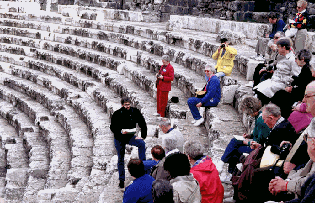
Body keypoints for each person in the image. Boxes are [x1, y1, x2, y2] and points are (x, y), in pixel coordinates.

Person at [217, 96, 270, 179]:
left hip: (258, 150)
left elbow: (260, 142)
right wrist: (249, 136)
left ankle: (223, 165)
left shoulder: (261, 121)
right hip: (254, 144)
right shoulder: (258, 117)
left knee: (235, 148)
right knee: (234, 143)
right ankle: (228, 171)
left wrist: (248, 142)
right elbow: (256, 134)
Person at [268, 118, 315, 202]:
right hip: (292, 178)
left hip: (295, 188)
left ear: (313, 143)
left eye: (306, 138)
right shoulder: (312, 158)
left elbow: (307, 188)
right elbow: (303, 170)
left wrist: (286, 185)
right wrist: (286, 181)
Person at [110, 97, 147, 188]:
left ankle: (143, 169)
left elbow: (142, 123)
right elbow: (112, 127)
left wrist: (142, 135)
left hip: (130, 137)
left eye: (129, 104)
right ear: (122, 105)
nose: (128, 106)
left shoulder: (135, 111)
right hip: (119, 138)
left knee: (142, 144)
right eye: (126, 105)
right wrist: (121, 132)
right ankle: (121, 180)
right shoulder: (117, 114)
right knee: (121, 158)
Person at [254, 38, 301, 105]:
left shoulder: (292, 60)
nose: (277, 49)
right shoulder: (280, 56)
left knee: (264, 89)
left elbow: (295, 75)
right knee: (259, 87)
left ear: (283, 48)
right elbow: (274, 64)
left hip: (282, 83)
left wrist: (285, 81)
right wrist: (267, 68)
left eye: (278, 47)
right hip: (274, 79)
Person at [271, 49, 314, 118]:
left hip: (300, 97)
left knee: (280, 96)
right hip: (299, 93)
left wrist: (291, 89)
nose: (295, 61)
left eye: (296, 59)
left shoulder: (307, 71)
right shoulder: (306, 68)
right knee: (280, 93)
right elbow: (300, 80)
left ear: (302, 59)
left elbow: (302, 88)